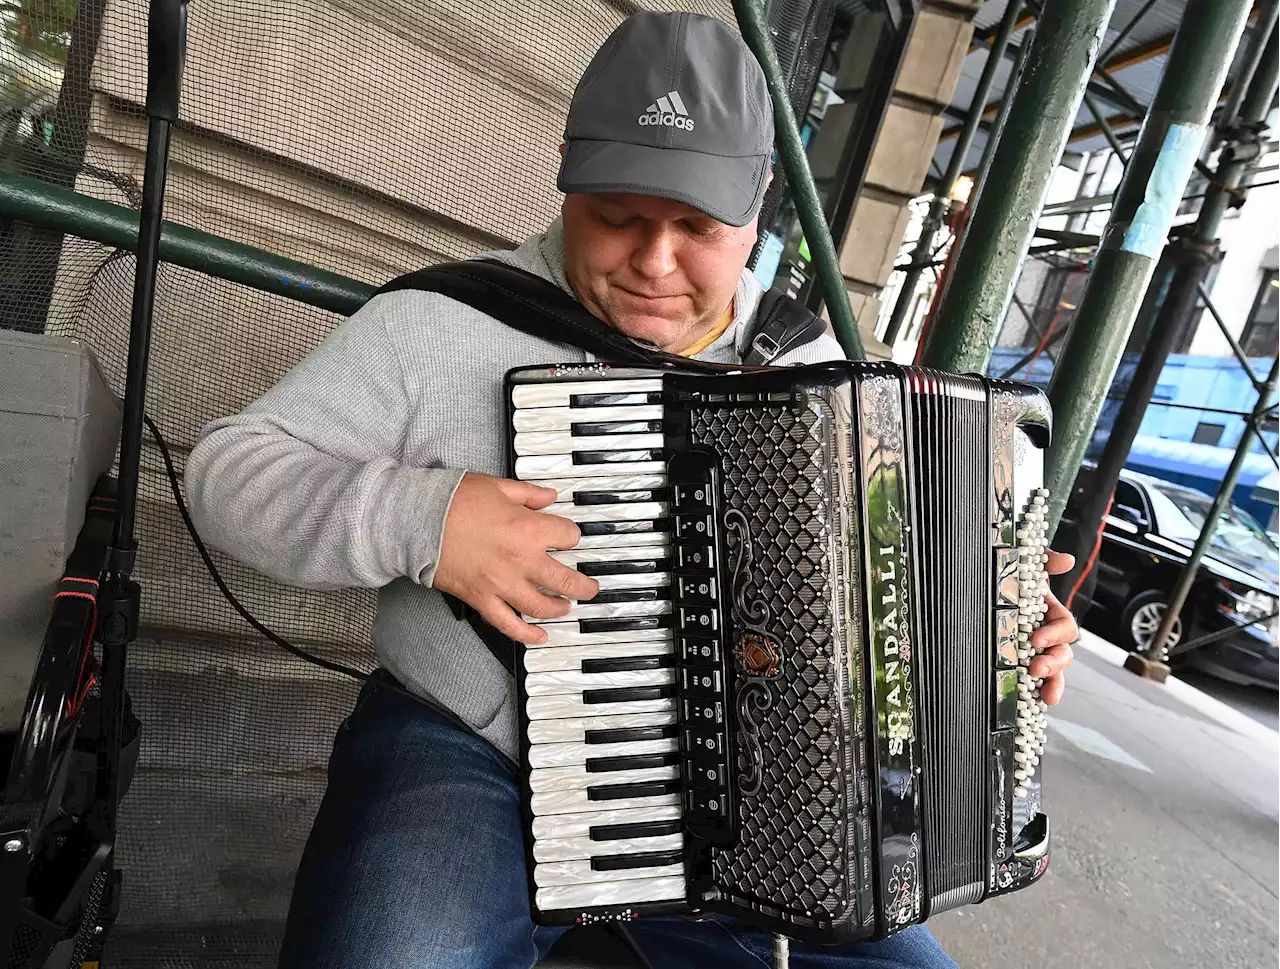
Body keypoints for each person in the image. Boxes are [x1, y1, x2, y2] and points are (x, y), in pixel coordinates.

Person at [185, 11, 1078, 969]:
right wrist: (424, 517)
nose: (655, 262)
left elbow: (883, 603)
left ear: (757, 210)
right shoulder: (435, 325)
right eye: (618, 216)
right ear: (568, 183)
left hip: (751, 801)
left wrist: (991, 639)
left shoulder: (814, 368)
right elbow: (227, 471)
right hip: (474, 754)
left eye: (697, 227)